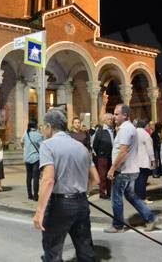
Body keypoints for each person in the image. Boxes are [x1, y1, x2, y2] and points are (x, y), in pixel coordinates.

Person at [33, 109, 99, 262]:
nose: (42, 130)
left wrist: (39, 212)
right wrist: (82, 191)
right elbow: (96, 179)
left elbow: (48, 180)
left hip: (59, 204)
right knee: (85, 249)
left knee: (53, 250)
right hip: (81, 203)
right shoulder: (82, 147)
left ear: (49, 126)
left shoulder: (47, 145)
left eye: (43, 126)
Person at [105, 104, 158, 233]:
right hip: (130, 169)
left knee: (116, 197)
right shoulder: (128, 128)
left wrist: (113, 168)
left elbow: (123, 151)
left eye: (117, 114)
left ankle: (118, 225)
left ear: (125, 115)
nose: (114, 117)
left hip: (124, 170)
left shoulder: (125, 129)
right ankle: (150, 217)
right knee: (131, 195)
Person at [92, 113, 114, 199]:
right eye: (109, 119)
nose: (111, 121)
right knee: (103, 175)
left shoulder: (112, 130)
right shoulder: (100, 131)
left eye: (111, 119)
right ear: (104, 120)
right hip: (103, 156)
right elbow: (95, 144)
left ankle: (110, 192)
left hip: (111, 156)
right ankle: (102, 193)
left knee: (110, 175)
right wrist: (100, 153)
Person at [134, 120, 155, 203]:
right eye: (148, 126)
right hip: (143, 160)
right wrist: (153, 159)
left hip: (135, 160)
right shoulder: (145, 134)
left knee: (137, 180)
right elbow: (149, 148)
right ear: (145, 126)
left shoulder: (133, 133)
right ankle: (142, 198)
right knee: (142, 180)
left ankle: (136, 197)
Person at [23, 122, 43, 201]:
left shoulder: (26, 134)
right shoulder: (38, 135)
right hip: (35, 158)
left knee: (28, 177)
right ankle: (35, 196)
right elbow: (42, 146)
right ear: (35, 126)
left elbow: (22, 142)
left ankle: (29, 194)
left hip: (27, 158)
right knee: (35, 178)